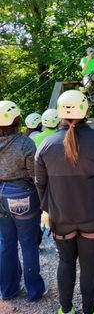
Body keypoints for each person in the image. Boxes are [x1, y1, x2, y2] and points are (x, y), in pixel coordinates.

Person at [34, 90, 94, 314]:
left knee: (65, 262)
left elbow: (40, 183)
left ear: (60, 114)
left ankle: (65, 311)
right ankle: (89, 311)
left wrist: (46, 209)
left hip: (61, 217)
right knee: (89, 265)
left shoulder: (46, 145)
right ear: (86, 111)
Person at [0, 100, 46, 301]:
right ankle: (34, 291)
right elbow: (35, 175)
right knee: (28, 244)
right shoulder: (25, 143)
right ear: (17, 119)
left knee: (6, 244)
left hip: (0, 196)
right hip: (22, 195)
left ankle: (8, 290)